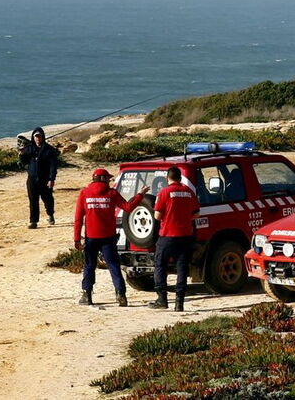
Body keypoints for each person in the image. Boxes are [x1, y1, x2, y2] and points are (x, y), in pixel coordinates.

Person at [74, 168, 149, 306]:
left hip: (91, 238)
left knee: (89, 266)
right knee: (114, 266)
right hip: (108, 238)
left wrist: (77, 239)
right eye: (108, 179)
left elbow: (78, 218)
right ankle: (121, 295)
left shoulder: (84, 193)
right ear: (103, 179)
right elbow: (128, 207)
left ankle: (87, 295)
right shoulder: (111, 193)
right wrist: (140, 194)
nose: (109, 181)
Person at [150, 166, 200, 311]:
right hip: (185, 235)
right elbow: (197, 214)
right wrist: (185, 218)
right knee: (182, 267)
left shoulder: (164, 192)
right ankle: (179, 302)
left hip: (167, 235)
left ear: (167, 178)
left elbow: (157, 216)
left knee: (160, 265)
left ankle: (162, 299)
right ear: (180, 178)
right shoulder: (188, 192)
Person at [18, 127, 59, 229]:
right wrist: (21, 154)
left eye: (39, 136)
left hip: (45, 179)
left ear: (42, 137)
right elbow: (23, 162)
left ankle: (50, 214)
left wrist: (51, 179)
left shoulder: (49, 150)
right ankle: (33, 221)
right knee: (33, 200)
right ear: (33, 137)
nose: (37, 138)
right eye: (36, 136)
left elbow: (53, 166)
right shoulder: (29, 148)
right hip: (32, 179)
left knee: (48, 199)